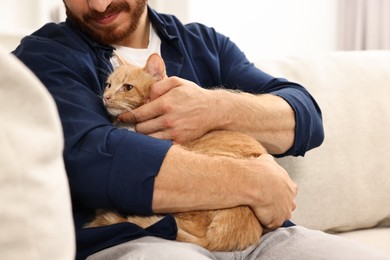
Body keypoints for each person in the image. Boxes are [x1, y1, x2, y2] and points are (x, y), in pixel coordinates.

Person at [12, 1, 389, 259]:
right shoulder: (45, 57)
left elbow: (305, 118)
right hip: (139, 240)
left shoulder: (203, 44)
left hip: (259, 236)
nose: (97, 5)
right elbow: (91, 160)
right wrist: (253, 183)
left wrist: (217, 107)